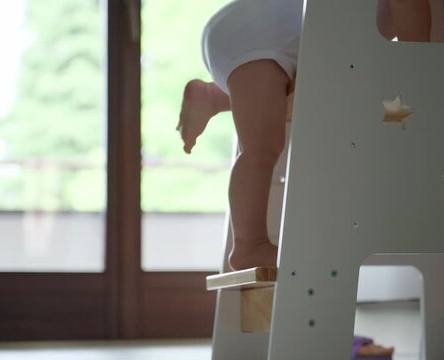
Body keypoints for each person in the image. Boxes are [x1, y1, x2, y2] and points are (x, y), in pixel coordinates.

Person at [178, 0, 431, 272]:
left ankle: (213, 97)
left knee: (276, 93)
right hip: (255, 34)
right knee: (261, 147)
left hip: (256, 30)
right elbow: (414, 54)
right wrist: (416, 75)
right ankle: (248, 245)